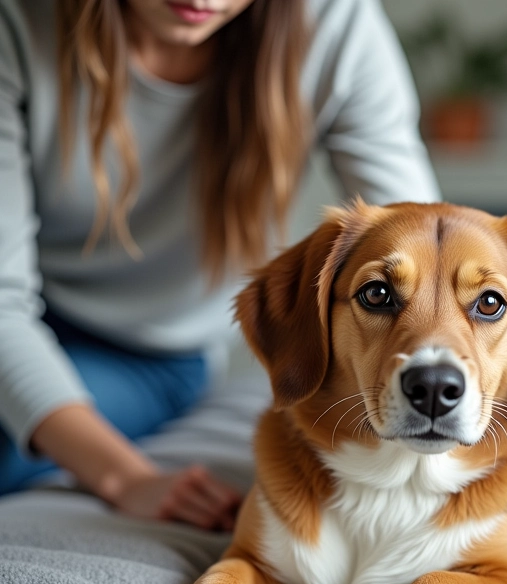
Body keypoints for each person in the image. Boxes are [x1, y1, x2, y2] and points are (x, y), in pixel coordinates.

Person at [0, 0, 439, 528]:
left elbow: (419, 248)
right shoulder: (18, 22)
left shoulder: (333, 23)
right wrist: (126, 479)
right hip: (25, 317)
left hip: (152, 357)